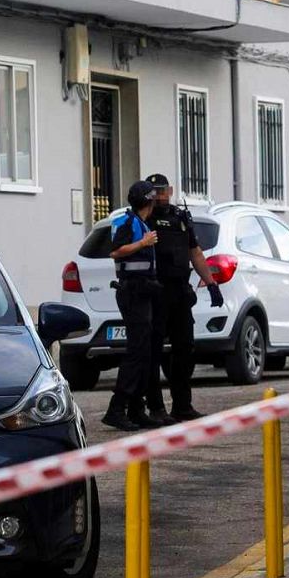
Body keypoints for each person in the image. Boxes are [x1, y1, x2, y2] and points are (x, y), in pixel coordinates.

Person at [143, 174, 226, 422]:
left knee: (185, 349)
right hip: (156, 291)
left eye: (163, 191)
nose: (159, 196)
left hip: (180, 291)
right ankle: (156, 408)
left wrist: (211, 283)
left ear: (170, 190)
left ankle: (182, 405)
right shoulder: (144, 219)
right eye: (154, 192)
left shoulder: (180, 217)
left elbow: (195, 252)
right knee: (153, 351)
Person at [102, 182, 165, 432]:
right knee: (137, 352)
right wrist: (143, 243)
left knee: (145, 352)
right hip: (132, 292)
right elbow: (116, 252)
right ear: (148, 202)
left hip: (143, 291)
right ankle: (116, 409)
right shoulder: (129, 223)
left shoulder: (141, 223)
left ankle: (136, 409)